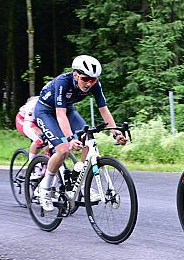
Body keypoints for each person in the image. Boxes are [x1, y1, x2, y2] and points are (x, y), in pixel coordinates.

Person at [33, 55, 127, 211]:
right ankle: (45, 188)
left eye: (93, 80)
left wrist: (115, 132)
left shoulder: (94, 84)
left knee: (88, 140)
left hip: (68, 110)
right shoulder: (63, 82)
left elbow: (104, 110)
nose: (89, 83)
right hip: (45, 111)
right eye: (85, 79)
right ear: (75, 74)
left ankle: (79, 177)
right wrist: (70, 138)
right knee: (63, 149)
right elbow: (60, 115)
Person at [15, 96, 45, 162]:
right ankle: (32, 164)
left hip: (37, 120)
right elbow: (27, 127)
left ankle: (46, 163)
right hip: (23, 119)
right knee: (39, 136)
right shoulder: (32, 104)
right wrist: (37, 139)